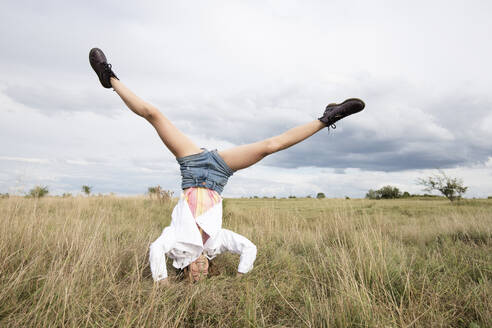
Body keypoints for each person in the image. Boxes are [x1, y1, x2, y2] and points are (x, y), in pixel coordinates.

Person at [89, 48, 365, 285]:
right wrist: (243, 276)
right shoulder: (216, 244)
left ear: (184, 270)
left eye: (193, 274)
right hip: (219, 174)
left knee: (154, 114)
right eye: (204, 273)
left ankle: (109, 78)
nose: (200, 270)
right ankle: (328, 117)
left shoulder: (174, 245)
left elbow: (154, 249)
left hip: (192, 166)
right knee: (270, 146)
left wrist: (161, 283)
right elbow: (248, 248)